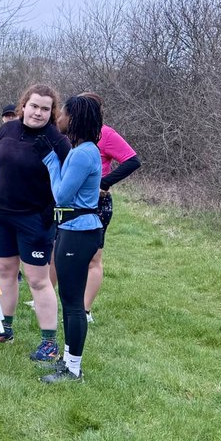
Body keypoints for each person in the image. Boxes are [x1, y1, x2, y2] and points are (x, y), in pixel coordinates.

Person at [0, 83, 71, 362]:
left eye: (45, 108)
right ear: (23, 105)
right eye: (34, 106)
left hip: (34, 220)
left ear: (51, 113)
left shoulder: (57, 141)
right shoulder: (6, 131)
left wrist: (49, 211)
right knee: (4, 272)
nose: (38, 113)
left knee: (38, 281)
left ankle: (49, 343)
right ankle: (4, 329)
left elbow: (67, 182)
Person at [37, 94, 104, 383]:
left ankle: (74, 369)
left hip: (79, 232)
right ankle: (67, 360)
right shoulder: (85, 151)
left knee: (73, 302)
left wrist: (51, 161)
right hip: (74, 230)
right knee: (69, 300)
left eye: (62, 114)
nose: (58, 118)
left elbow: (61, 195)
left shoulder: (82, 153)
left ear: (74, 119)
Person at [78, 92, 141, 320]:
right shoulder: (70, 135)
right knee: (59, 251)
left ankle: (85, 310)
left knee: (93, 257)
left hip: (98, 203)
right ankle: (44, 299)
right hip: (71, 203)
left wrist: (104, 183)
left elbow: (133, 161)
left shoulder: (106, 134)